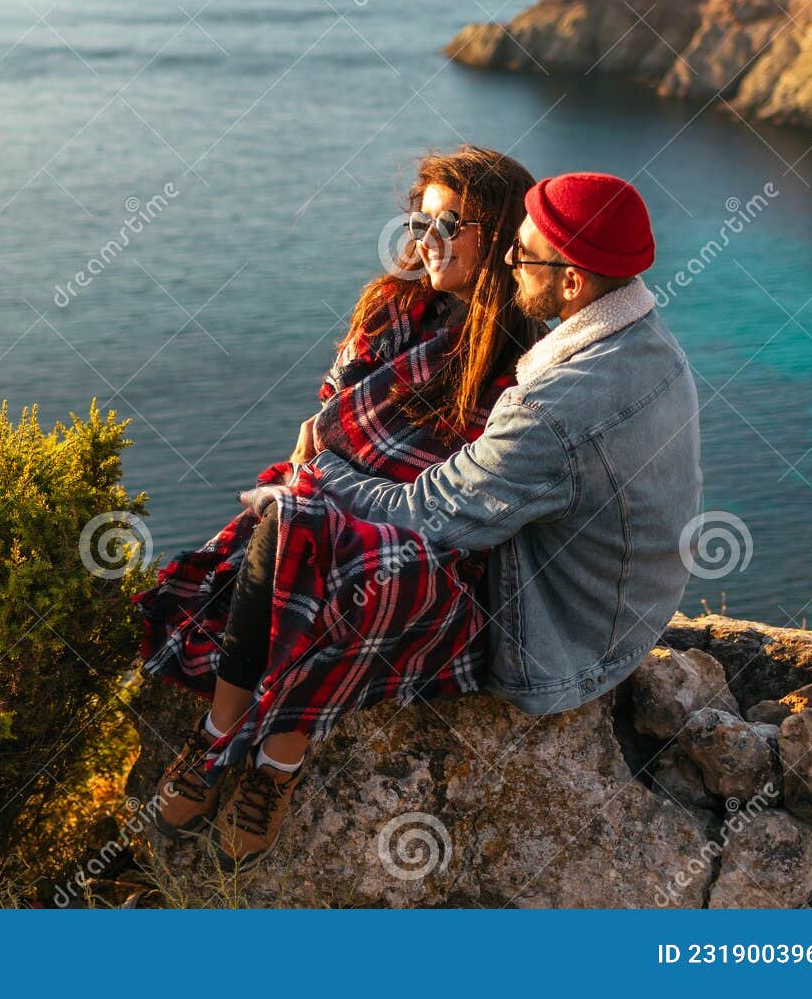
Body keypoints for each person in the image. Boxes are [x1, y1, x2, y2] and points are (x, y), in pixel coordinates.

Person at [213, 171, 702, 869]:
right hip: (629, 606)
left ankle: (268, 758)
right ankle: (244, 738)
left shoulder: (554, 403)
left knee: (353, 564)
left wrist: (323, 476)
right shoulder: (647, 340)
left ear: (570, 284)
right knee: (318, 539)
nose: (508, 261)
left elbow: (430, 515)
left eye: (523, 254)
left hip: (561, 641)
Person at [136, 145, 541, 869]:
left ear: (501, 233)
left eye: (453, 222)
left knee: (369, 570)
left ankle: (277, 764)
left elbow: (483, 479)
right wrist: (320, 463)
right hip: (328, 490)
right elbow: (333, 409)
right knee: (291, 526)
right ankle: (217, 736)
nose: (428, 237)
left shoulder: (525, 351)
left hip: (433, 533)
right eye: (422, 218)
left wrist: (357, 487)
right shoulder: (390, 305)